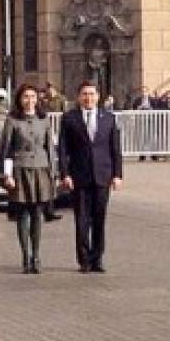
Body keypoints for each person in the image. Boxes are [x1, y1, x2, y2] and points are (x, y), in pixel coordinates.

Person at [57, 81, 124, 273]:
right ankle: (84, 259)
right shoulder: (70, 118)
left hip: (103, 175)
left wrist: (117, 174)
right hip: (79, 176)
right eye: (85, 94)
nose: (88, 98)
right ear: (79, 97)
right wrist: (64, 173)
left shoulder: (109, 118)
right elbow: (62, 149)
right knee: (82, 219)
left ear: (98, 96)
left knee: (99, 219)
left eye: (92, 94)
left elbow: (115, 149)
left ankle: (98, 258)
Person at [0, 84, 56, 274]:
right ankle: (25, 256)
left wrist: (53, 173)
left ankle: (36, 256)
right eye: (25, 97)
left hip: (40, 169)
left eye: (32, 96)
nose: (29, 100)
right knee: (23, 214)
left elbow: (50, 147)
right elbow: (5, 149)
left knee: (37, 214)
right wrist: (7, 175)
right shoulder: (12, 120)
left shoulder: (44, 119)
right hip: (20, 169)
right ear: (19, 99)